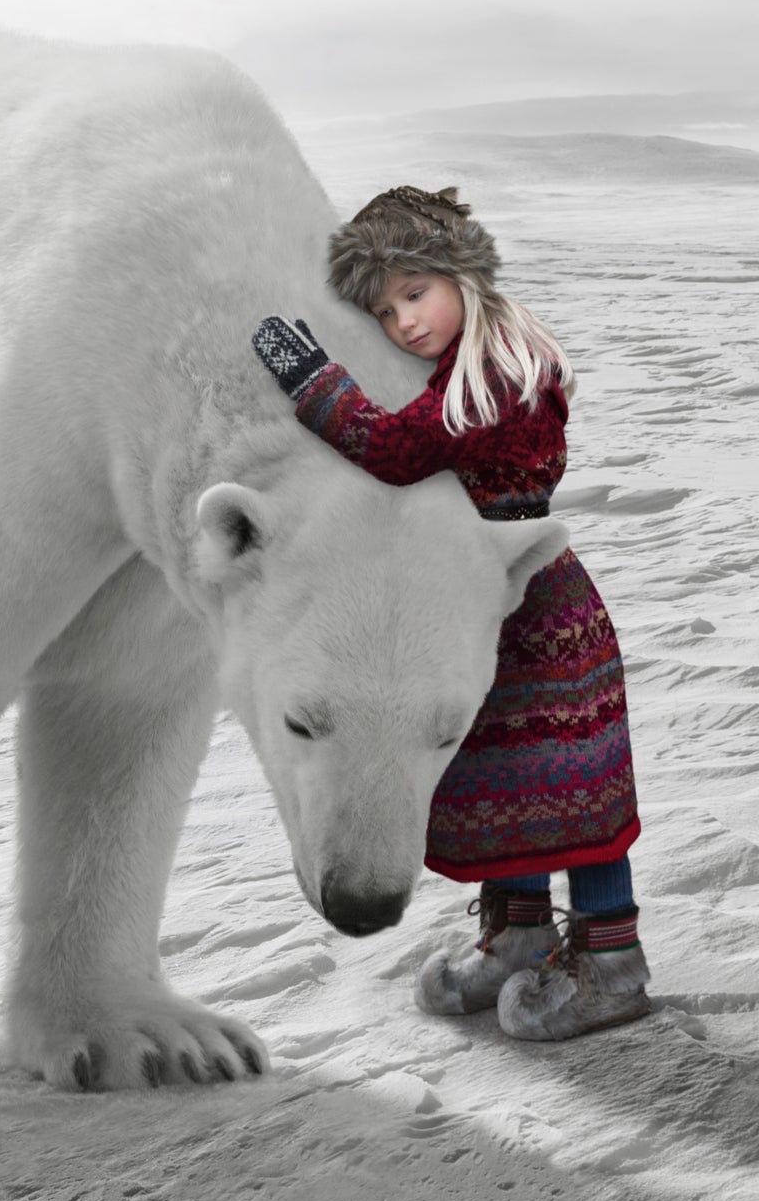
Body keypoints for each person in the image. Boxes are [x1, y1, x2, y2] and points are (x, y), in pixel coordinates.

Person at [250, 185, 650, 1041]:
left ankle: (613, 959)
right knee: (501, 783)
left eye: (415, 293)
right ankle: (519, 937)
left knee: (569, 785)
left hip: (533, 599)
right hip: (474, 604)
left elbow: (397, 450)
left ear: (462, 275)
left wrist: (311, 379)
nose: (403, 322)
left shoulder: (497, 373)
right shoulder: (475, 359)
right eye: (386, 309)